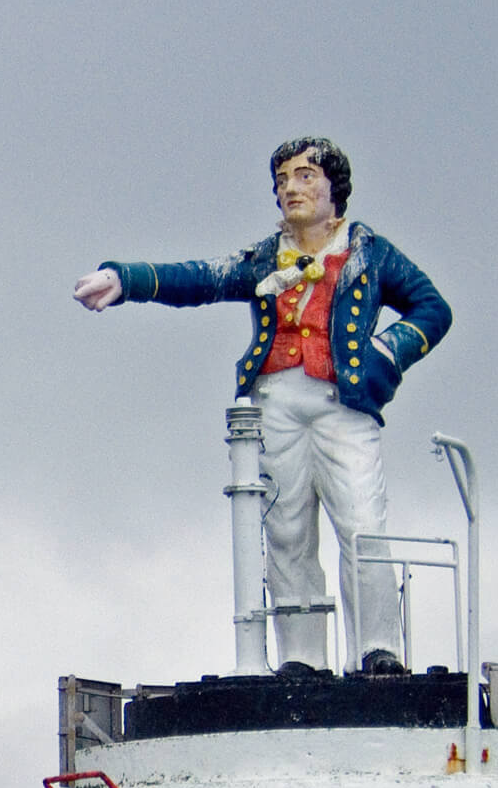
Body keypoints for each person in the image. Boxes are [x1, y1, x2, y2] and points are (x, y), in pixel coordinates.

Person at [72, 139, 451, 676]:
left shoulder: (370, 252)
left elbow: (433, 308)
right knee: (286, 530)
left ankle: (376, 649)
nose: (290, 188)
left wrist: (384, 355)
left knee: (364, 527)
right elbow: (201, 277)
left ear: (333, 188)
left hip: (343, 405)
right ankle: (302, 655)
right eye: (282, 180)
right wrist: (125, 279)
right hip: (275, 404)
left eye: (304, 175)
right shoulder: (265, 259)